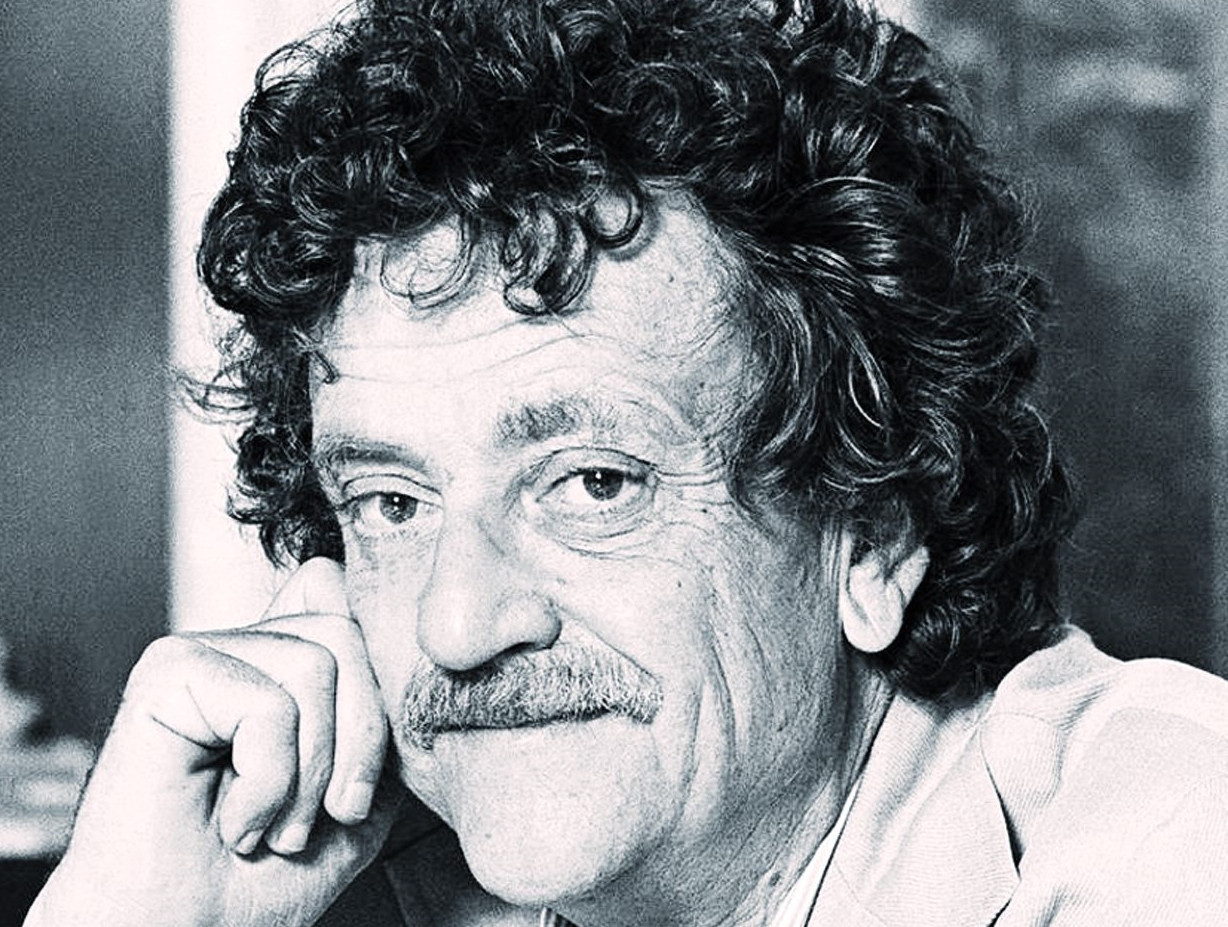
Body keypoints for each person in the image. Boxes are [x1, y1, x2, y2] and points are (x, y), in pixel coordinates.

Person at [25, 0, 1228, 924]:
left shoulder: (1171, 840)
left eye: (592, 483)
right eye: (391, 502)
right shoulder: (408, 888)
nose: (457, 626)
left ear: (872, 534)